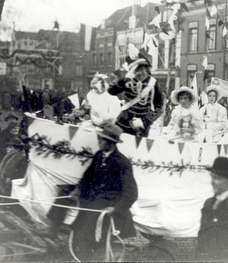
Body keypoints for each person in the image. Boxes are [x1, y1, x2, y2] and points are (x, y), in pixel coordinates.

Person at [67, 123, 138, 259]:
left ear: (111, 143)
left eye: (101, 139)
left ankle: (85, 256)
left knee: (86, 231)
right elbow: (87, 176)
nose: (98, 141)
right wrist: (77, 190)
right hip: (94, 198)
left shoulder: (121, 162)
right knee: (63, 191)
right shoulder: (99, 155)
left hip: (109, 203)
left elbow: (132, 193)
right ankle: (52, 231)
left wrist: (116, 209)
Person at [108, 55, 164, 137]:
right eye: (136, 70)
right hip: (123, 121)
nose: (140, 73)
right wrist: (124, 79)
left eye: (141, 69)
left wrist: (145, 121)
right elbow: (111, 91)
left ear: (146, 68)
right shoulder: (128, 80)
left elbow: (159, 107)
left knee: (139, 148)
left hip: (141, 125)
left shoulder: (153, 83)